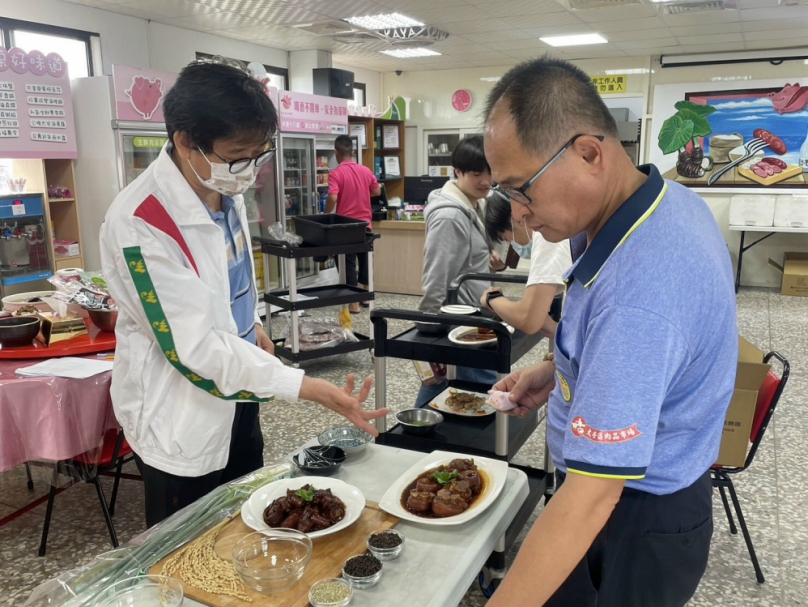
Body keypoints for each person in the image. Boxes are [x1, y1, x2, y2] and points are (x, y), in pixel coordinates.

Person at [483, 56, 737, 607]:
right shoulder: (662, 202)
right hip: (636, 492)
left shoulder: (640, 294)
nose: (520, 218)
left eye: (521, 190)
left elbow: (593, 497)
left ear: (589, 153)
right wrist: (565, 372)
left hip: (634, 515)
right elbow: (653, 357)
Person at [100, 61, 387, 528]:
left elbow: (233, 277)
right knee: (188, 544)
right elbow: (193, 348)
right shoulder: (140, 222)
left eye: (259, 154)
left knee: (244, 522)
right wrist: (304, 385)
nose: (249, 171)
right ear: (185, 141)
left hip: (241, 392)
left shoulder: (223, 187)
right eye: (237, 155)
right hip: (181, 412)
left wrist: (251, 324)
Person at [415, 136, 500, 406]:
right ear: (458, 171)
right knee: (475, 395)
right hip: (461, 325)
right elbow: (436, 275)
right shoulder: (450, 216)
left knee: (447, 391)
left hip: (476, 319)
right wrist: (429, 330)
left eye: (490, 172)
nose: (486, 180)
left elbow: (468, 263)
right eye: (477, 173)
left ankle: (419, 437)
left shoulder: (477, 205)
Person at [480, 193, 571, 337]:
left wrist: (491, 298)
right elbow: (541, 321)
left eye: (506, 238)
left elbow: (528, 321)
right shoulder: (561, 222)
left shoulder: (546, 236)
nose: (510, 243)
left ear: (517, 217)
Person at [325, 135, 381, 313]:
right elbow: (377, 191)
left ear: (336, 152)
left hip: (345, 227)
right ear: (353, 152)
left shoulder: (336, 174)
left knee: (347, 263)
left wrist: (326, 214)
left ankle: (353, 303)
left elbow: (333, 197)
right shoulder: (365, 170)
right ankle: (365, 297)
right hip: (365, 225)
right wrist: (361, 194)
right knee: (365, 260)